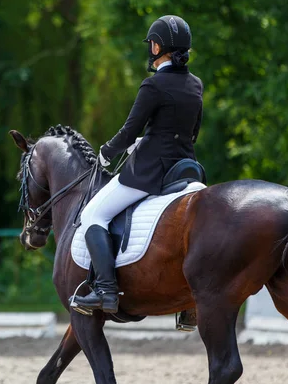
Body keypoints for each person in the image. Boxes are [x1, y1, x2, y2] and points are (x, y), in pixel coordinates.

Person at [71, 15, 204, 314]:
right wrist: (148, 140)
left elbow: (130, 130)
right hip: (185, 168)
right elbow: (191, 132)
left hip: (149, 172)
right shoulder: (196, 84)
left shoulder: (153, 85)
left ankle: (105, 290)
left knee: (94, 214)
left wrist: (107, 151)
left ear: (157, 47)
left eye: (152, 44)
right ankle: (190, 304)